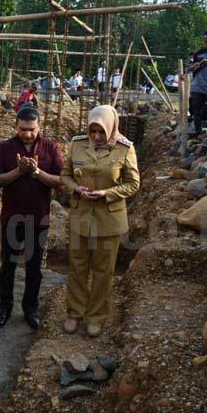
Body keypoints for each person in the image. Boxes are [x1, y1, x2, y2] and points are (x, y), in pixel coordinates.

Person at [60, 105, 140, 337]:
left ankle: (96, 317)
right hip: (81, 216)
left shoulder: (125, 148)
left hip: (109, 220)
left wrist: (107, 193)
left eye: (101, 132)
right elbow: (64, 176)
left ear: (111, 128)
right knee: (77, 268)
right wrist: (76, 189)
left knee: (103, 271)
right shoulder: (77, 145)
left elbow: (134, 184)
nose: (96, 137)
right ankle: (74, 313)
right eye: (92, 131)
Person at [0, 107, 63, 331]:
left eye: (32, 129)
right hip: (11, 217)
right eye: (23, 129)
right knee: (8, 266)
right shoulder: (5, 148)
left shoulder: (51, 148)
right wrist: (18, 171)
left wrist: (36, 172)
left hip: (38, 217)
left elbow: (61, 181)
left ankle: (30, 310)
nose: (28, 134)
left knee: (34, 268)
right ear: (16, 126)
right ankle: (4, 308)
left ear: (39, 127)